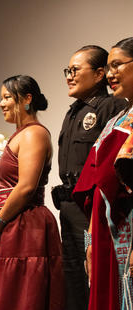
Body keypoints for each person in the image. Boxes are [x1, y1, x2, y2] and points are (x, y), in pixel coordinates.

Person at [54, 45, 128, 310]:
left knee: (93, 273)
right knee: (72, 276)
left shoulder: (112, 106)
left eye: (75, 70)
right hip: (69, 203)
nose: (69, 76)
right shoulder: (73, 111)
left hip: (92, 207)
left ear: (98, 74)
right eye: (68, 71)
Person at [0, 75, 64, 309]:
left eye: (7, 97)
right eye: (1, 98)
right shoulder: (19, 134)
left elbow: (27, 186)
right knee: (9, 292)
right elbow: (5, 188)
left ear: (27, 99)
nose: (1, 103)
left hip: (27, 224)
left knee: (26, 294)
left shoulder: (34, 134)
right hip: (12, 221)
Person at [72, 37, 133, 310]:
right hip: (107, 231)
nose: (110, 74)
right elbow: (95, 181)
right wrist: (91, 240)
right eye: (108, 67)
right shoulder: (117, 120)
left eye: (117, 65)